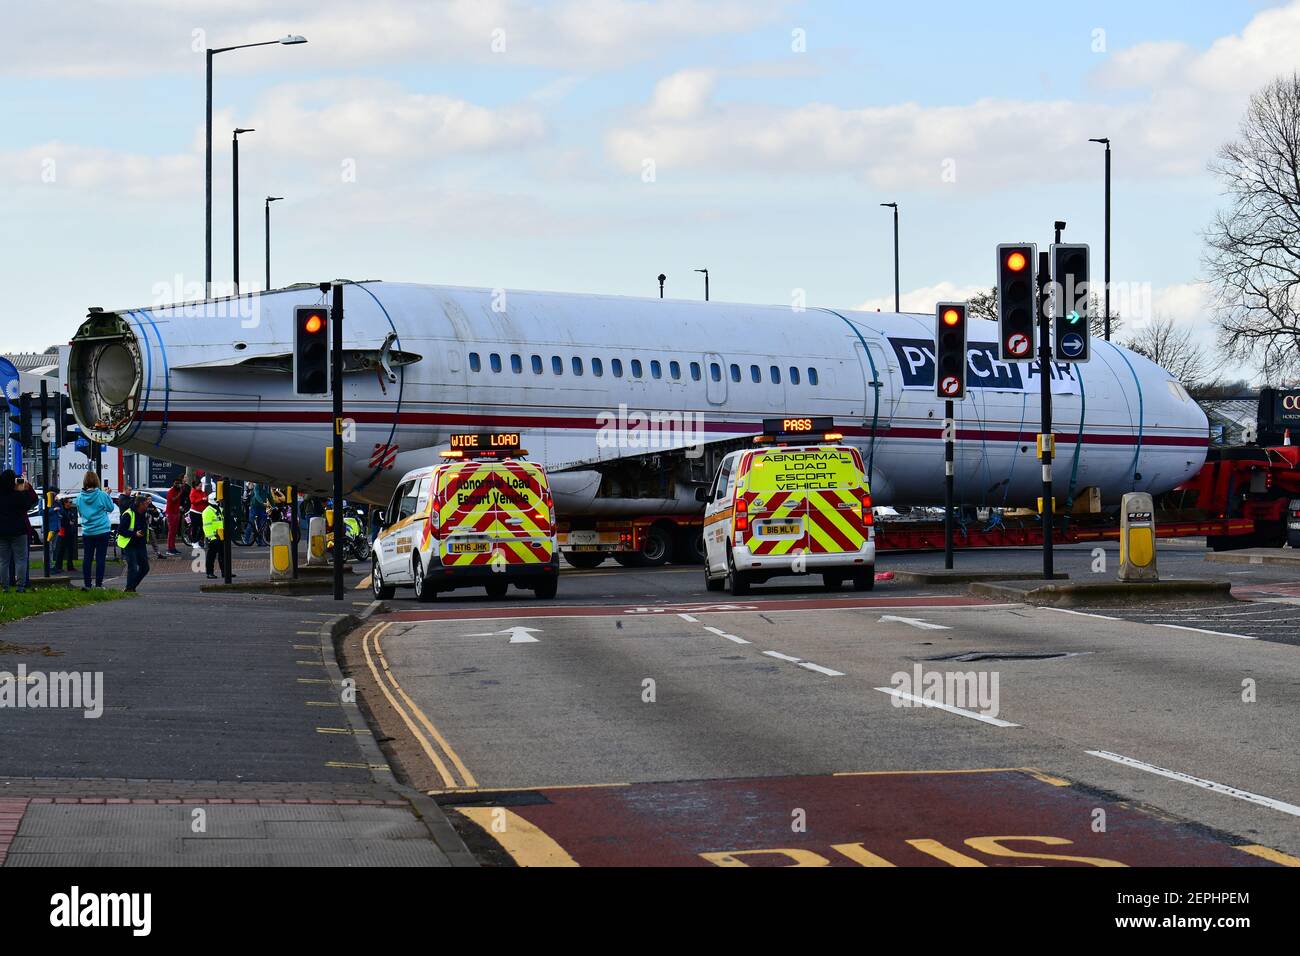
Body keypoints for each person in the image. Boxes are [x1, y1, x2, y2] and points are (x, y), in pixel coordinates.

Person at [0, 470, 38, 593]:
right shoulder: (19, 495)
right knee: (21, 559)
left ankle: (5, 587)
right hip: (19, 530)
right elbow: (29, 504)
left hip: (2, 531)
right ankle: (20, 586)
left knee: (3, 561)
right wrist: (25, 489)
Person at [76, 471, 115, 590]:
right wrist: (108, 495)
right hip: (102, 530)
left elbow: (80, 512)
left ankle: (87, 584)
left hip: (88, 531)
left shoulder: (79, 497)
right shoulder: (101, 495)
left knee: (87, 558)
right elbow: (110, 508)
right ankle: (98, 584)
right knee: (100, 558)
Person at [118, 494, 151, 592]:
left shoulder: (144, 513)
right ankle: (129, 589)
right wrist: (134, 534)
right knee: (132, 567)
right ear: (140, 504)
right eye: (145, 504)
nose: (147, 505)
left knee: (145, 567)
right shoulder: (128, 514)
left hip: (140, 544)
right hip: (129, 544)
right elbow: (120, 530)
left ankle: (131, 586)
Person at [203, 491, 233, 579]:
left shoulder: (218, 509)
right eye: (218, 500)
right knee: (211, 556)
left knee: (223, 555)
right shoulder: (207, 511)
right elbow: (206, 526)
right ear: (213, 500)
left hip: (221, 535)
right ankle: (209, 573)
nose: (219, 501)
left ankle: (225, 572)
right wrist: (211, 537)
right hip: (213, 537)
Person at [53, 496, 78, 572]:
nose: (70, 504)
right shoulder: (62, 511)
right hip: (63, 532)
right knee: (61, 550)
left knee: (70, 550)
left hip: (70, 532)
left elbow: (73, 520)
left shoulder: (70, 511)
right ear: (64, 503)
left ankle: (70, 566)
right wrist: (68, 522)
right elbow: (62, 521)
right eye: (69, 502)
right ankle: (58, 566)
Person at [165, 475, 185, 554]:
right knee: (171, 531)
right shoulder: (171, 491)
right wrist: (180, 493)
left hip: (176, 513)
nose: (177, 485)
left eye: (179, 483)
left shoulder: (178, 490)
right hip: (170, 514)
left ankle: (173, 547)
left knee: (174, 531)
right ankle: (170, 549)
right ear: (173, 483)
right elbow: (173, 499)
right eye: (176, 483)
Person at [189, 479, 208, 544]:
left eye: (201, 486)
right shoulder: (193, 492)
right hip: (194, 512)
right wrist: (202, 499)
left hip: (201, 512)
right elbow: (193, 501)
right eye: (199, 486)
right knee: (195, 527)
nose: (200, 487)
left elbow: (205, 499)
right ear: (195, 486)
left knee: (203, 527)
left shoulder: (202, 492)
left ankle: (198, 540)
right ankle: (194, 540)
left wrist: (205, 500)